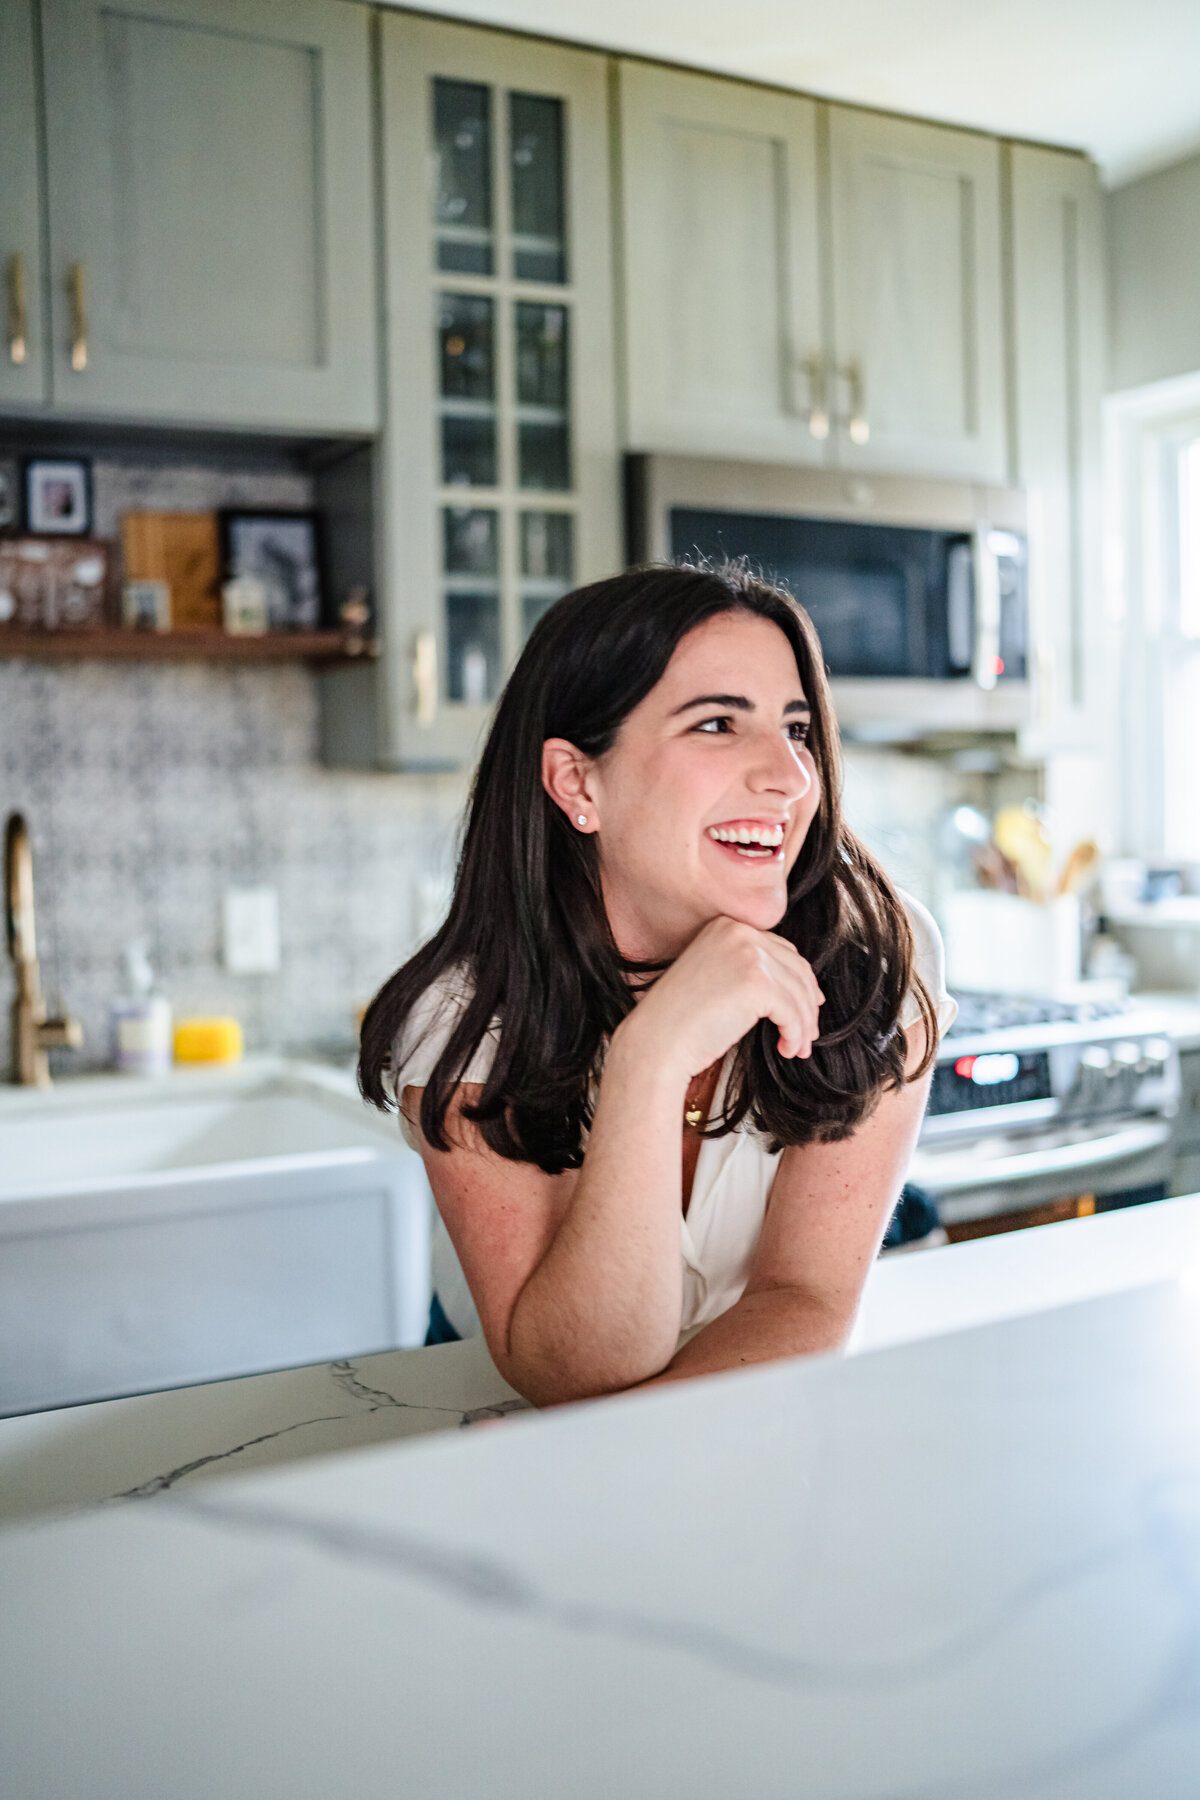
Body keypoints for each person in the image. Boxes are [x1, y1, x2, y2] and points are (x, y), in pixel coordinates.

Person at [359, 563, 956, 1406]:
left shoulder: (877, 959)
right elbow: (574, 1369)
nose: (790, 778)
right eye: (717, 724)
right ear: (577, 783)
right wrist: (652, 1054)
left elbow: (805, 1299)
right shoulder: (466, 1015)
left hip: (747, 1408)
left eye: (796, 729)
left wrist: (602, 1444)